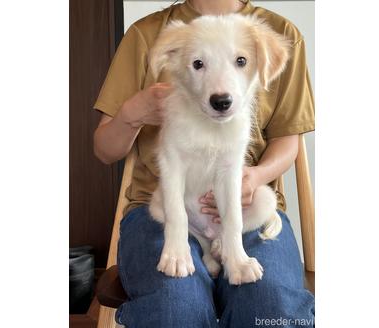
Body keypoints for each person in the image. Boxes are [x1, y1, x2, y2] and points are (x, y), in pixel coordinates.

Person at [93, 0, 315, 327]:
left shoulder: (277, 33)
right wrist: (133, 112)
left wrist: (255, 178)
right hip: (160, 207)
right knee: (175, 309)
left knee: (272, 309)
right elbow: (104, 150)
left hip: (246, 204)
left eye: (241, 61)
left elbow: (288, 139)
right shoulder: (149, 34)